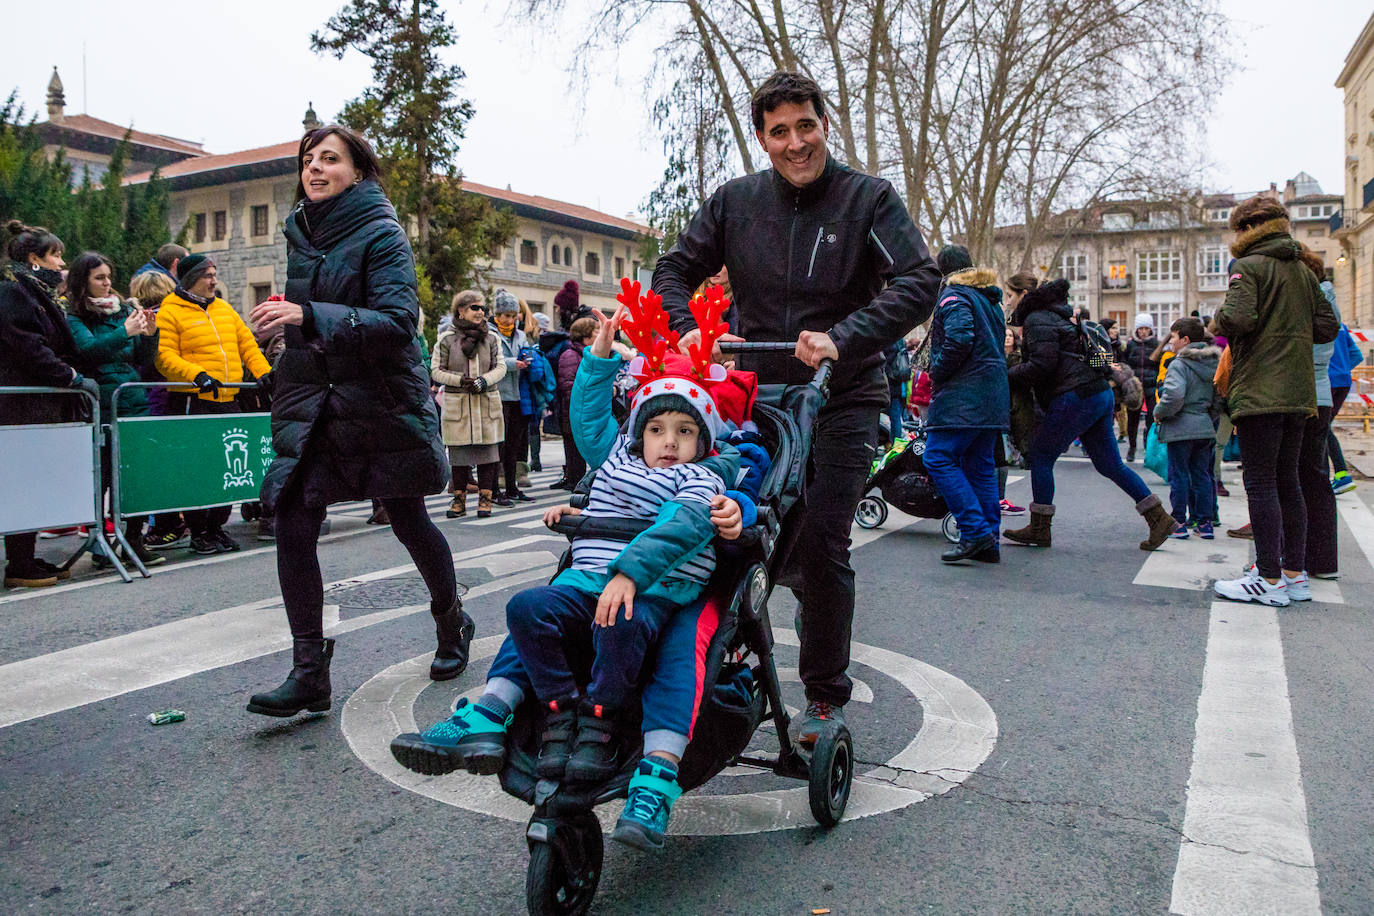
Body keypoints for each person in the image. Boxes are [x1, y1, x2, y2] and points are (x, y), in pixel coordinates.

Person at [650, 70, 940, 743]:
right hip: (756, 397)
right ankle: (727, 658)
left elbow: (918, 281)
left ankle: (823, 696)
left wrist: (843, 338)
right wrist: (684, 324)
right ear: (761, 138)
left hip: (844, 394)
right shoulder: (735, 202)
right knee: (738, 530)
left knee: (826, 537)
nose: (795, 142)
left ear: (823, 124)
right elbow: (673, 270)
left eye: (805, 125)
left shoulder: (868, 199)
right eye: (778, 131)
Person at [395, 305, 744, 851]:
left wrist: (628, 573)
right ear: (638, 434)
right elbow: (586, 421)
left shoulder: (700, 478)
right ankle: (503, 711)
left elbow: (684, 524)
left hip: (653, 589)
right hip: (589, 581)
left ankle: (643, 761)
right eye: (656, 429)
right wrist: (599, 360)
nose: (669, 441)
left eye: (684, 431)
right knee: (528, 608)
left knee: (648, 640)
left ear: (703, 442)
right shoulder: (616, 461)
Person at [244, 124, 464, 717]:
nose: (315, 168)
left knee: (409, 519)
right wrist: (284, 336)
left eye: (330, 159)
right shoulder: (302, 236)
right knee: (292, 518)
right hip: (318, 404)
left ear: (359, 173)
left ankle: (453, 621)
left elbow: (397, 322)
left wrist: (307, 315)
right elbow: (311, 321)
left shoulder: (383, 234)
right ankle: (308, 670)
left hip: (380, 404)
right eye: (308, 159)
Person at [1211, 197, 1338, 607]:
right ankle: (1292, 574)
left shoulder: (1247, 267)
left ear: (1248, 228)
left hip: (1261, 390)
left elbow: (1237, 320)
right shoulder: (1303, 270)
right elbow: (1327, 326)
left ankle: (1267, 578)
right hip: (1299, 393)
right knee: (1290, 483)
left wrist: (1217, 317)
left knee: (1261, 483)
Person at [1003, 278, 1177, 550]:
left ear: (1024, 294)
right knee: (1110, 464)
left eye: (1010, 295)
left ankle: (1039, 528)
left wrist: (1006, 375)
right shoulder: (1064, 317)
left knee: (1041, 456)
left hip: (1075, 396)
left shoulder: (1038, 319)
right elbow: (1089, 358)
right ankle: (1159, 518)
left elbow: (1042, 365)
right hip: (1098, 394)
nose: (1008, 301)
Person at [153, 254, 271, 555]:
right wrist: (197, 375)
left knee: (227, 469)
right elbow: (164, 356)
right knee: (198, 469)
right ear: (191, 278)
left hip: (228, 399)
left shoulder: (223, 309)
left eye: (214, 274)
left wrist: (265, 373)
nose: (213, 280)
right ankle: (198, 530)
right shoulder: (170, 311)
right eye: (207, 275)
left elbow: (247, 344)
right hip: (194, 400)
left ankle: (216, 526)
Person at [0, 221, 93, 588]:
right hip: (23, 407)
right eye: (55, 254)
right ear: (34, 258)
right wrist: (69, 376)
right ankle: (19, 563)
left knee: (32, 481)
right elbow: (27, 347)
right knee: (21, 481)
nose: (60, 262)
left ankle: (25, 556)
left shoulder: (37, 293)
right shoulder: (13, 293)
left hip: (40, 405)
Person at [63, 251, 165, 569]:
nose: (107, 283)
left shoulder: (122, 311)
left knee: (138, 475)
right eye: (99, 278)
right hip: (102, 406)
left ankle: (134, 539)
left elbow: (140, 357)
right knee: (104, 476)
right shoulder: (74, 318)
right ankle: (101, 542)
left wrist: (150, 334)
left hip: (132, 400)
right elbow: (88, 351)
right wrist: (126, 332)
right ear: (84, 282)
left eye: (109, 276)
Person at [920, 246, 1009, 563]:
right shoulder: (989, 299)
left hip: (962, 396)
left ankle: (974, 532)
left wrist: (937, 370)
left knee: (937, 458)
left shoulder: (953, 296)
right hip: (991, 394)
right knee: (980, 466)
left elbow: (959, 338)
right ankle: (990, 541)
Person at [432, 290, 505, 518]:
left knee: (487, 455)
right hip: (458, 405)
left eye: (483, 308)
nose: (481, 312)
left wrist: (484, 381)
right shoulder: (446, 339)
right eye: (475, 307)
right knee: (459, 457)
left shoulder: (492, 338)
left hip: (486, 403)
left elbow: (500, 367)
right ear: (461, 311)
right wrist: (459, 381)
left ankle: (486, 501)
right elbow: (435, 370)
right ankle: (458, 501)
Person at [1151, 317, 1220, 539]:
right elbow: (1219, 399)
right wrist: (1207, 417)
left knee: (1179, 474)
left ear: (1185, 339)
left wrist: (1159, 412)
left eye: (1173, 337)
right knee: (1202, 474)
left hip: (1180, 427)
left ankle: (1178, 522)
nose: (1171, 342)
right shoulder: (1213, 363)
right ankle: (1205, 523)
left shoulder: (1179, 364)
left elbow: (1174, 395)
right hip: (1204, 425)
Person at [1297, 249, 1340, 581]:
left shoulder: (1312, 301)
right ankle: (1323, 562)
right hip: (1320, 392)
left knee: (1292, 477)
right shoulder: (1329, 299)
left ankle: (1291, 559)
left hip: (1300, 392)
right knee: (1316, 477)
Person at [489, 290, 535, 506]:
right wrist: (511, 364)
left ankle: (511, 486)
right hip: (498, 394)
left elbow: (526, 352)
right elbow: (490, 361)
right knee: (500, 444)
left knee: (515, 445)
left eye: (513, 315)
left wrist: (528, 359)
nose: (509, 319)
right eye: (505, 315)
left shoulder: (520, 335)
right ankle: (493, 489)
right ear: (497, 315)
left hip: (518, 394)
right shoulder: (490, 333)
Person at [556, 315, 597, 488]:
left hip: (587, 411)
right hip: (576, 412)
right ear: (586, 336)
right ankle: (576, 483)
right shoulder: (571, 355)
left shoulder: (588, 354)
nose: (599, 334)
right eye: (596, 331)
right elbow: (569, 387)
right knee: (574, 451)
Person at [1328, 315, 1363, 496]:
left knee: (1320, 428)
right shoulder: (1340, 325)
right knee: (1322, 428)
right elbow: (1356, 355)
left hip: (1326, 381)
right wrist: (1341, 369)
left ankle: (1340, 475)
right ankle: (1338, 475)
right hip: (1343, 381)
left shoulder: (1314, 322)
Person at [1123, 314, 1160, 462]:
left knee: (1152, 419)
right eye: (1140, 328)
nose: (1143, 332)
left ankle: (1148, 447)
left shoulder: (1156, 345)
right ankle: (1132, 448)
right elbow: (1125, 363)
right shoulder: (1131, 345)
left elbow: (1160, 365)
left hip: (1151, 387)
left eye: (1146, 328)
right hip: (1134, 388)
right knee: (1133, 419)